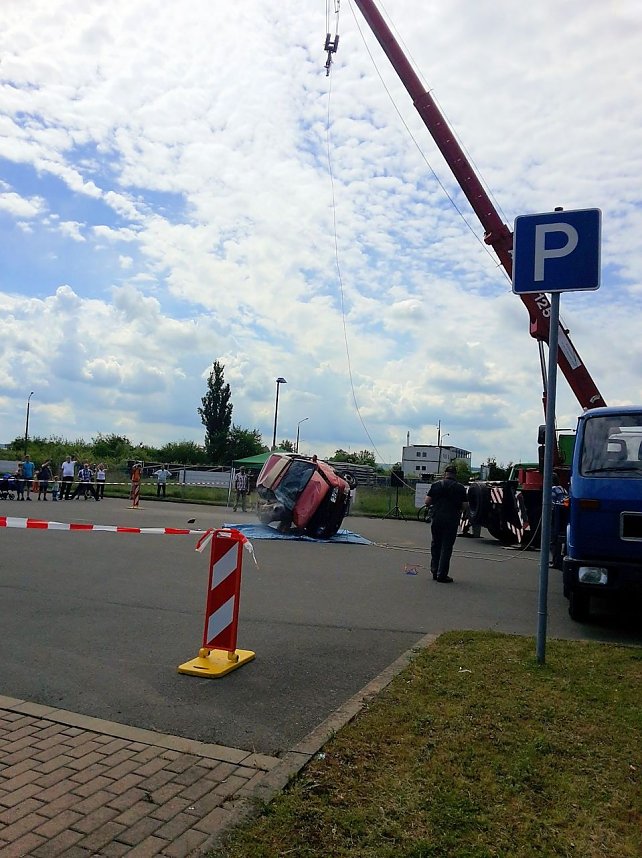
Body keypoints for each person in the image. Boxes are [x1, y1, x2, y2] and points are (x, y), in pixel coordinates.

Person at [426, 464, 467, 583]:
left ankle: (434, 570)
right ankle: (442, 574)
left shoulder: (436, 485)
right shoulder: (460, 488)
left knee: (436, 544)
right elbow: (465, 506)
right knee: (446, 547)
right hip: (451, 519)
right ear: (455, 475)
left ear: (445, 474)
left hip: (437, 518)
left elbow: (427, 501)